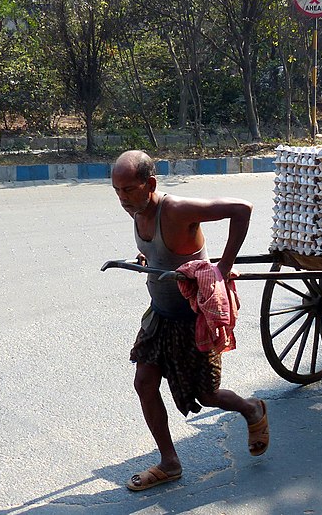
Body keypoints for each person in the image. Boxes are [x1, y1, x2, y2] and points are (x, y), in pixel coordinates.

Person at [111, 150, 269, 492]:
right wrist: (147, 255)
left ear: (150, 184)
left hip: (193, 319)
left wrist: (222, 268)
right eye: (117, 191)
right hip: (160, 316)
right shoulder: (138, 211)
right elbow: (162, 250)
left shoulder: (177, 209)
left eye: (128, 189)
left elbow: (242, 210)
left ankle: (251, 409)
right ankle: (170, 463)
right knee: (144, 383)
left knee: (206, 394)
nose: (122, 198)